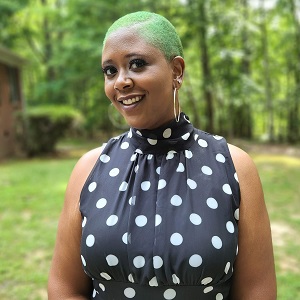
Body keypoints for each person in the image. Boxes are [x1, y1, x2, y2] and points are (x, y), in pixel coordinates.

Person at [48, 11, 276, 300]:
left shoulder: (234, 167)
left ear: (177, 71)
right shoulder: (89, 169)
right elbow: (63, 287)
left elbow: (258, 291)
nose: (121, 81)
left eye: (137, 64)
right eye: (110, 70)